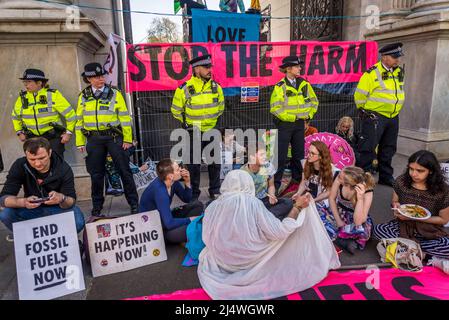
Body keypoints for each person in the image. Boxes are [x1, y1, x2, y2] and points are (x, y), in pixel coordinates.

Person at [197, 170, 340, 300]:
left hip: (224, 259)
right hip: (249, 259)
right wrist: (297, 207)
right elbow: (280, 232)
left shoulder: (213, 206)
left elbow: (207, 236)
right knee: (287, 232)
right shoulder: (253, 204)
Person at [75, 63, 138, 216]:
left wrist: (128, 139)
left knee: (124, 171)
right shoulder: (83, 96)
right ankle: (97, 206)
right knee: (96, 175)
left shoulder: (115, 93)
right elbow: (79, 120)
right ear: (89, 78)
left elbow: (124, 118)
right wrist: (80, 141)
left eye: (102, 76)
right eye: (97, 77)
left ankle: (134, 203)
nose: (101, 79)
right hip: (94, 140)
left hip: (114, 138)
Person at [0, 137, 85, 241]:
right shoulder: (20, 165)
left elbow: (71, 201)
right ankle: (27, 235)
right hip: (31, 209)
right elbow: (4, 199)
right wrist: (23, 202)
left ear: (49, 153)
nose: (37, 164)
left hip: (57, 208)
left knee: (78, 220)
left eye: (42, 158)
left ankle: (54, 237)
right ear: (26, 155)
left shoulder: (63, 168)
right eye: (32, 159)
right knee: (6, 214)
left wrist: (61, 198)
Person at [373, 150, 449, 260]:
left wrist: (420, 218)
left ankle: (406, 248)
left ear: (431, 171)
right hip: (404, 226)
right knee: (378, 230)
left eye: (420, 170)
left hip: (429, 231)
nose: (413, 174)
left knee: (447, 246)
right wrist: (396, 207)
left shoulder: (443, 190)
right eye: (411, 169)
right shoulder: (401, 182)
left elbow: (443, 220)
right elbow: (395, 202)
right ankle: (420, 253)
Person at [171, 54, 225, 200]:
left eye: (210, 67)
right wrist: (186, 123)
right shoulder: (184, 89)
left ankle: (214, 190)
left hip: (212, 129)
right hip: (193, 131)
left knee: (214, 162)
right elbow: (176, 110)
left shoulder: (216, 88)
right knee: (193, 165)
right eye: (206, 67)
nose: (209, 70)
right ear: (196, 69)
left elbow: (221, 107)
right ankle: (194, 193)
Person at [354, 43, 405, 186]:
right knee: (368, 148)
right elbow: (360, 95)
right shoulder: (371, 73)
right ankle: (363, 178)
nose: (397, 60)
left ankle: (386, 176)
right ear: (384, 57)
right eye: (394, 57)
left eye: (398, 57)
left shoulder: (399, 72)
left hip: (393, 116)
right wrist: (364, 111)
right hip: (375, 116)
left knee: (388, 148)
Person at [270, 55, 319, 193]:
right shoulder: (280, 86)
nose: (300, 68)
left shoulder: (305, 84)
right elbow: (275, 108)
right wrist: (293, 117)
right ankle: (276, 187)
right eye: (297, 66)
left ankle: (298, 185)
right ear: (288, 69)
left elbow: (314, 102)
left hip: (299, 125)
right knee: (280, 157)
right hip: (285, 125)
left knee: (298, 156)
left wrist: (308, 115)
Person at [11, 68, 76, 158]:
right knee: (36, 165)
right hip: (32, 139)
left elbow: (71, 115)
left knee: (56, 165)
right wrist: (19, 132)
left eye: (29, 81)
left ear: (39, 83)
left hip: (52, 138)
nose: (26, 84)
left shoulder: (53, 95)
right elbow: (15, 117)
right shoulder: (22, 98)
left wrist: (68, 133)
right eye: (24, 82)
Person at [139, 159, 204, 244]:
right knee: (193, 226)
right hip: (156, 227)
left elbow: (186, 199)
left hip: (165, 217)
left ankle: (192, 226)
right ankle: (167, 237)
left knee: (198, 205)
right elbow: (169, 223)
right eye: (177, 169)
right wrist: (191, 219)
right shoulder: (160, 191)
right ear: (170, 176)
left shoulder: (172, 182)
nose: (181, 170)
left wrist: (187, 182)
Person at [326, 166, 375, 254]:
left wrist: (360, 199)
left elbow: (359, 221)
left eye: (340, 177)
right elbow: (331, 199)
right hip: (339, 212)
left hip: (356, 217)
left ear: (347, 183)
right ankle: (343, 241)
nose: (337, 177)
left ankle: (339, 239)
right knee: (319, 216)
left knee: (361, 231)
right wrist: (338, 221)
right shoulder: (338, 177)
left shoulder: (367, 191)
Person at [291, 141, 339, 230]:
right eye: (308, 152)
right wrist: (298, 193)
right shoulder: (306, 164)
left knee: (315, 221)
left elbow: (329, 192)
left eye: (312, 153)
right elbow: (303, 182)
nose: (308, 155)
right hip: (309, 196)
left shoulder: (332, 170)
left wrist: (314, 200)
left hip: (323, 200)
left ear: (320, 156)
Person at [241, 147, 293, 220]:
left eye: (265, 154)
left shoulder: (268, 166)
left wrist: (272, 195)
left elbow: (271, 185)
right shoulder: (242, 172)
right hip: (251, 204)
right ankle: (266, 218)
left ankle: (263, 218)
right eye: (261, 155)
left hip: (264, 200)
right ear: (252, 156)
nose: (265, 157)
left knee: (288, 202)